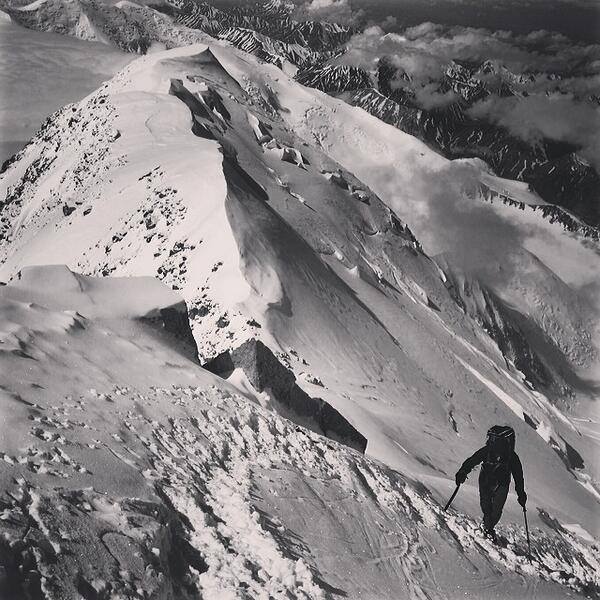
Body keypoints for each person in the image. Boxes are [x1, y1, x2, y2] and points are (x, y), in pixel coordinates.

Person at [455, 425, 527, 541]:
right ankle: (488, 528)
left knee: (488, 507)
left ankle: (487, 527)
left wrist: (463, 472)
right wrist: (521, 494)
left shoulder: (490, 451)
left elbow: (472, 460)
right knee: (494, 509)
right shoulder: (511, 456)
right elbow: (518, 477)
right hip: (500, 482)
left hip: (487, 480)